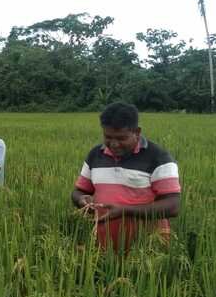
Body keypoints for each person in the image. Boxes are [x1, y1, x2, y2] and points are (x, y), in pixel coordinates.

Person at [71, 102, 181, 253]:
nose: (114, 144)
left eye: (121, 138)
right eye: (108, 137)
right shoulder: (95, 155)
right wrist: (81, 200)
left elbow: (173, 206)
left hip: (147, 247)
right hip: (104, 246)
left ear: (137, 132)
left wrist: (125, 211)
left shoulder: (158, 158)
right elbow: (78, 191)